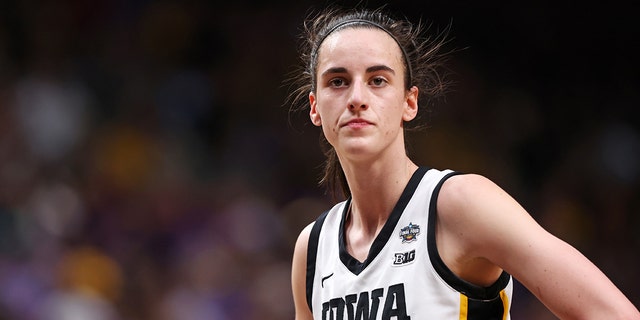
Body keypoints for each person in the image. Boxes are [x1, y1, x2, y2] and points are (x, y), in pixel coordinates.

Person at [287, 5, 640, 320]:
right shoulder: (313, 248)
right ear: (315, 107)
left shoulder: (459, 204)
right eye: (338, 81)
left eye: (378, 80)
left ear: (409, 102)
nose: (357, 98)